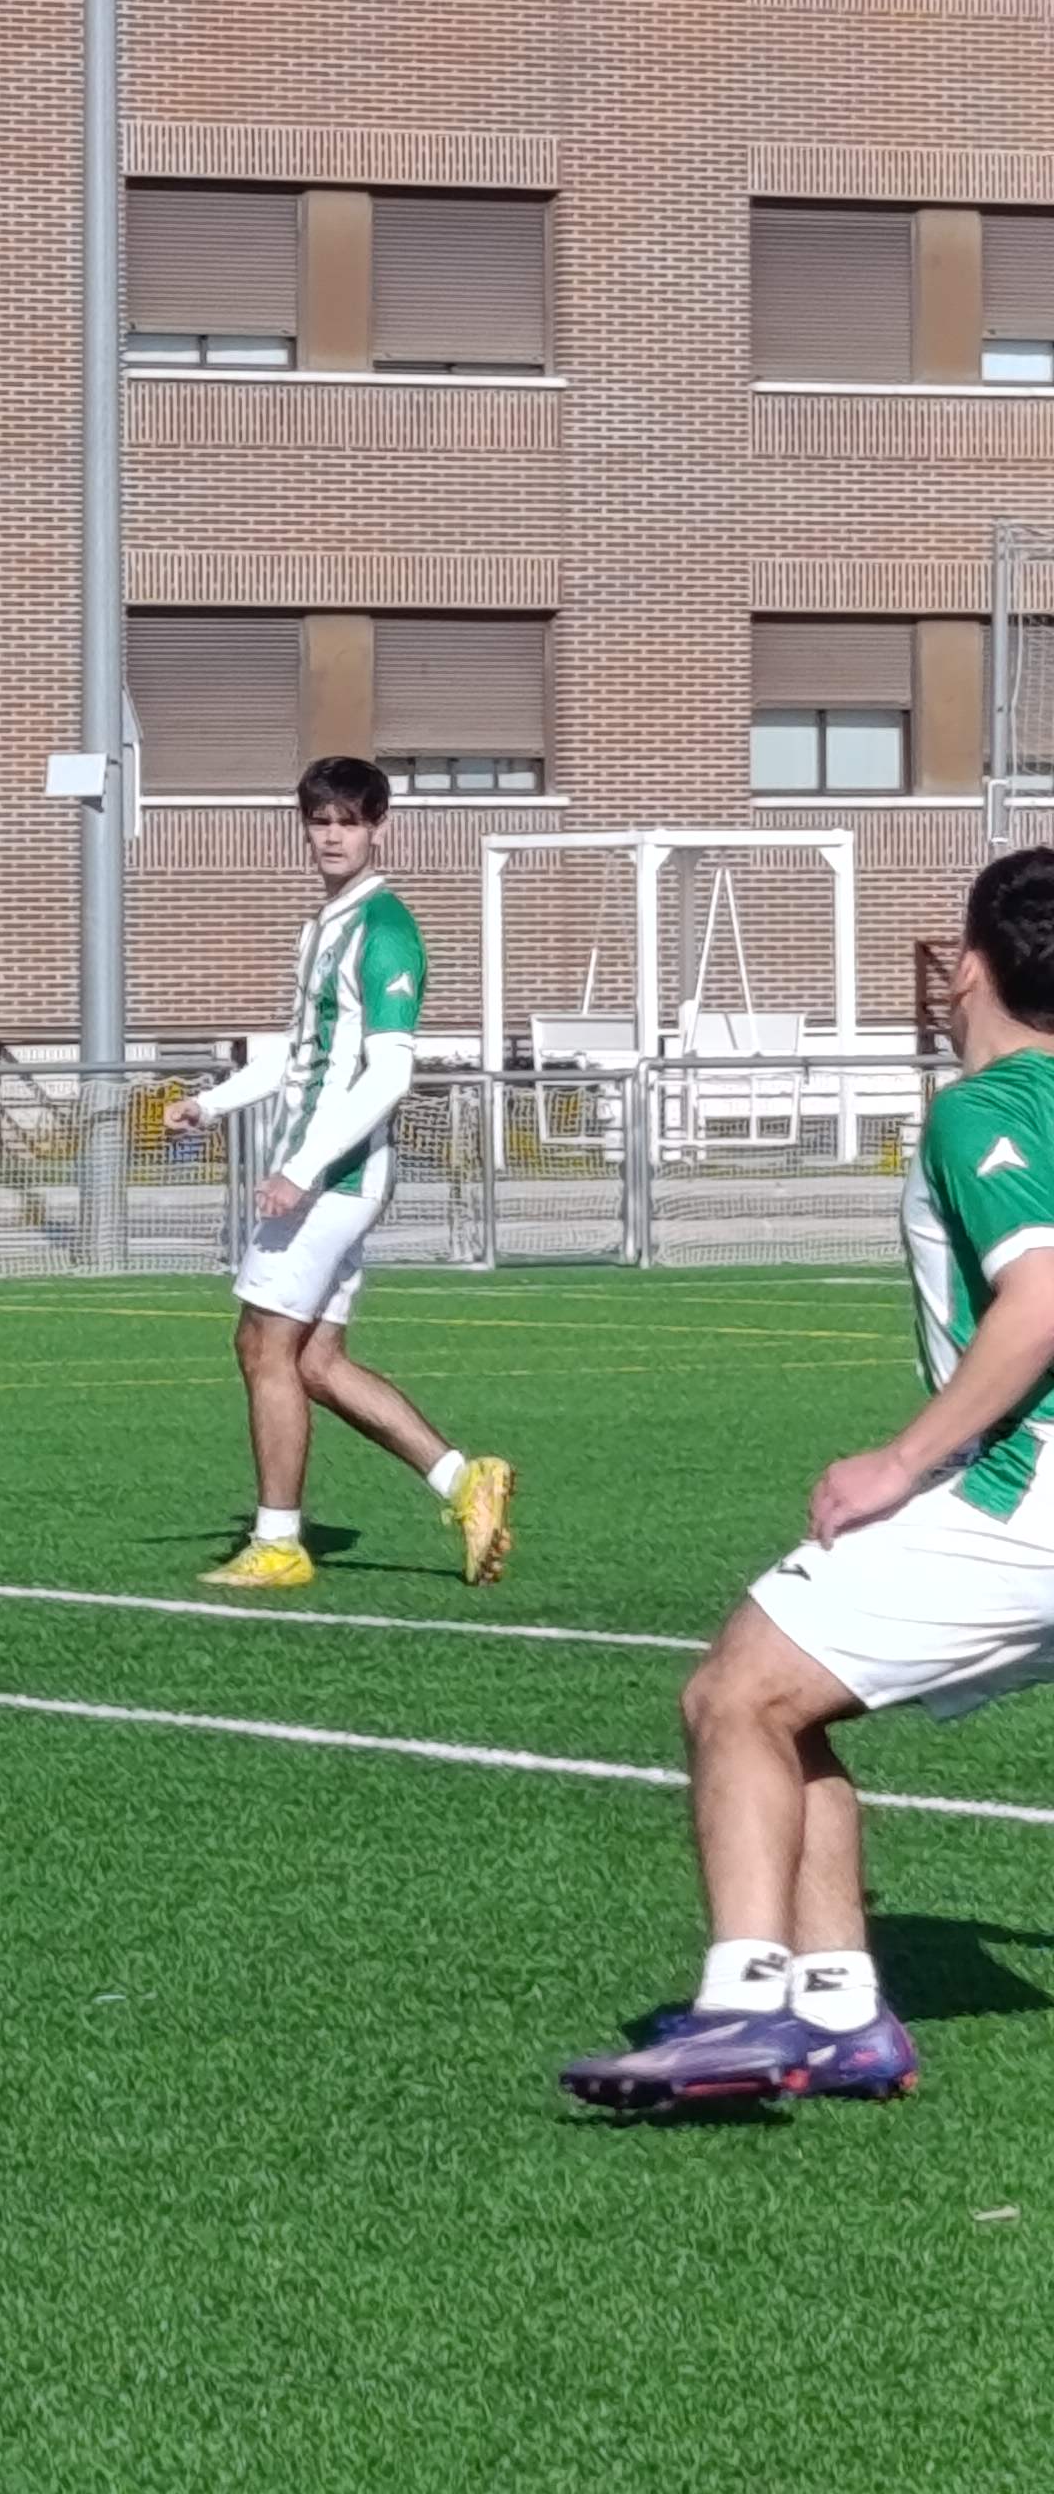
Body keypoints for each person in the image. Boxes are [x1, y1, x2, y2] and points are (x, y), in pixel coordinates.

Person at [558, 850, 1054, 2113]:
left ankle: (740, 2009)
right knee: (792, 1701)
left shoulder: (984, 1107)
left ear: (971, 969)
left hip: (1031, 1494)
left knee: (734, 1694)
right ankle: (840, 2011)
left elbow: (1041, 1302)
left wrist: (899, 1460)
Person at [176, 757, 514, 1593]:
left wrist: (301, 1168)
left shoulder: (385, 929)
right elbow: (300, 1054)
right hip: (329, 1176)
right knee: (317, 1361)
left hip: (335, 1178)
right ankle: (465, 1481)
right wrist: (212, 1103)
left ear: (378, 828)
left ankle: (279, 1543)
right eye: (320, 821)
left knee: (262, 1345)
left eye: (349, 822)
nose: (332, 836)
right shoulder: (326, 923)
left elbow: (390, 1072)